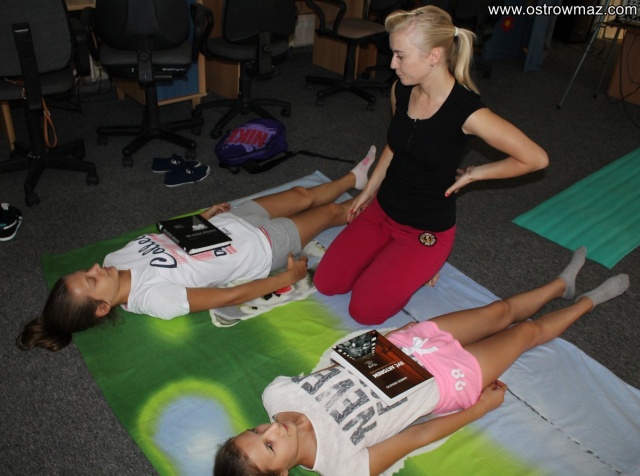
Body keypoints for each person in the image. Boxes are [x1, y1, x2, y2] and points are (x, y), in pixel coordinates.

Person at [213, 248, 629, 476]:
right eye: (270, 445)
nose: (272, 428)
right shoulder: (341, 467)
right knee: (524, 335)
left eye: (256, 430)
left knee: (499, 311)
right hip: (444, 381)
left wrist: (393, 336)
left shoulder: (277, 395)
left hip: (406, 345)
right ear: (281, 474)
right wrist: (478, 409)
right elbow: (416, 436)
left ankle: (560, 285)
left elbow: (336, 368)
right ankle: (589, 302)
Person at [314, 5, 550, 325]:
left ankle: (428, 261)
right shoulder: (402, 88)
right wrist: (370, 188)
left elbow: (536, 158)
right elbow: (398, 143)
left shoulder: (467, 111)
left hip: (424, 230)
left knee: (364, 311)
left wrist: (476, 174)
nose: (392, 64)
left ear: (434, 56)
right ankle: (396, 258)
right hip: (383, 210)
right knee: (327, 283)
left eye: (400, 56)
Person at [15, 153, 376, 352]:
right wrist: (286, 277)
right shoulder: (155, 299)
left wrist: (202, 218)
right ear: (102, 308)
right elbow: (230, 295)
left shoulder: (114, 261)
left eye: (86, 270)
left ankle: (353, 179)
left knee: (302, 195)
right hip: (259, 248)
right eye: (92, 280)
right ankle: (375, 204)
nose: (96, 266)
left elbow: (169, 240)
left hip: (232, 222)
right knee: (331, 214)